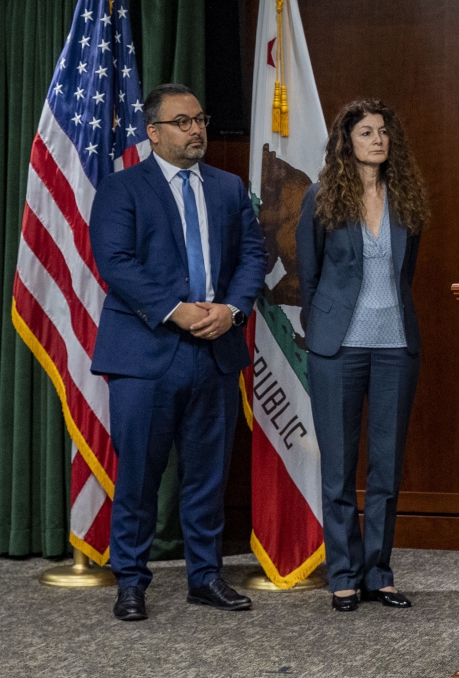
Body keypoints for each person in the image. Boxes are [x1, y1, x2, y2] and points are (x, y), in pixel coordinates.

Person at [90, 83, 269, 621]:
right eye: (183, 122)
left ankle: (205, 577)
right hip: (144, 355)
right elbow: (116, 262)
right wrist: (178, 309)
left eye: (200, 119)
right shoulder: (123, 188)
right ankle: (131, 582)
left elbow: (253, 257)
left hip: (214, 350)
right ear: (154, 132)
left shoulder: (228, 187)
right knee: (140, 477)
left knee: (207, 474)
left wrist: (231, 311)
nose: (197, 130)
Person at [296, 98, 428, 612]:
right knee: (339, 467)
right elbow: (309, 277)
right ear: (346, 142)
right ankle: (344, 575)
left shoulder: (406, 199)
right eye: (366, 132)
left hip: (396, 344)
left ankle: (379, 572)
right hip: (338, 346)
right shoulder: (322, 196)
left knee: (386, 470)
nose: (377, 140)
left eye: (382, 132)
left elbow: (405, 273)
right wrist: (324, 326)